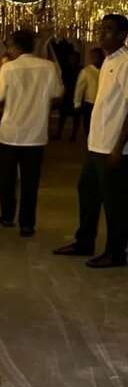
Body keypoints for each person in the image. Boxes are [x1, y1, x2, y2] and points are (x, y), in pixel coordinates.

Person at [53, 14, 128, 268]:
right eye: (100, 28)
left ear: (122, 35)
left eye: (108, 29)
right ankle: (84, 241)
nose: (101, 33)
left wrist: (118, 148)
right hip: (97, 144)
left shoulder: (125, 62)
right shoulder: (109, 60)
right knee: (87, 192)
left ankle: (116, 252)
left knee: (114, 203)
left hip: (113, 147)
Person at [0, 28, 63, 237]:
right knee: (30, 182)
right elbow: (57, 95)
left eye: (10, 46)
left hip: (11, 132)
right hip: (36, 134)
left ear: (16, 47)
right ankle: (27, 224)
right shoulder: (48, 67)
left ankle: (7, 216)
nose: (9, 50)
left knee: (7, 179)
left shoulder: (8, 68)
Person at [73, 46, 103, 139]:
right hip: (89, 103)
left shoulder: (104, 69)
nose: (96, 59)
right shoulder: (86, 71)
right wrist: (77, 103)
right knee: (88, 123)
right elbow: (79, 88)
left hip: (101, 102)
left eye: (98, 57)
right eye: (94, 57)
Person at [54, 48, 81, 141]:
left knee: (76, 117)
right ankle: (58, 133)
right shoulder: (65, 69)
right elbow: (61, 81)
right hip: (67, 94)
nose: (72, 60)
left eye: (74, 58)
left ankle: (73, 134)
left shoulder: (81, 70)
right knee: (62, 115)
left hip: (77, 94)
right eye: (71, 58)